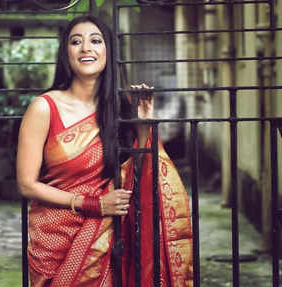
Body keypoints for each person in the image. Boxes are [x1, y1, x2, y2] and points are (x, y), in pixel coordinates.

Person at [16, 16, 193, 286]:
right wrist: (92, 204)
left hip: (105, 238)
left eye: (95, 41)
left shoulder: (119, 111)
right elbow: (27, 185)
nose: (86, 48)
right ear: (66, 53)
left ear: (108, 51)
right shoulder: (44, 107)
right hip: (53, 236)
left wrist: (144, 123)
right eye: (76, 42)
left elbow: (142, 173)